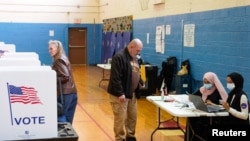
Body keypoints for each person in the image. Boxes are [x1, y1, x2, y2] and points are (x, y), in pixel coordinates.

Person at [107, 38, 144, 141]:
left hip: (131, 93)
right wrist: (120, 93)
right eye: (137, 50)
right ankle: (120, 138)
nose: (138, 53)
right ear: (131, 47)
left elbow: (135, 72)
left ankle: (130, 136)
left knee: (132, 116)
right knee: (120, 118)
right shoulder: (119, 57)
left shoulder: (134, 58)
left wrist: (140, 81)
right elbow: (115, 77)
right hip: (120, 94)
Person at [184, 72, 228, 141]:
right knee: (190, 118)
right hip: (202, 113)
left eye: (208, 82)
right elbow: (194, 96)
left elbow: (221, 105)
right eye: (205, 82)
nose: (206, 84)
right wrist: (191, 97)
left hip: (212, 117)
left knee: (197, 121)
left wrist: (211, 104)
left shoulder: (217, 91)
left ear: (213, 82)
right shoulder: (203, 89)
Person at [48, 40, 78, 124]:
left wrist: (51, 77)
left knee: (61, 117)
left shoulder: (58, 60)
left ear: (57, 49)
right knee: (68, 119)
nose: (49, 51)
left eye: (51, 49)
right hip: (72, 92)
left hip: (65, 93)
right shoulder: (63, 57)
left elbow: (65, 76)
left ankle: (63, 136)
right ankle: (69, 136)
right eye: (49, 49)